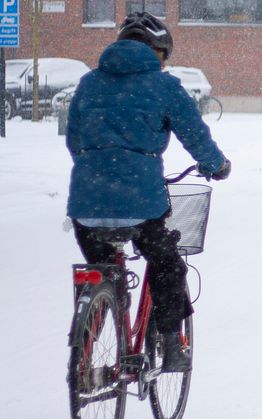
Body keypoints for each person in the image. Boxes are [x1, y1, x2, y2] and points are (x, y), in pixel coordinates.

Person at [66, 12, 231, 371]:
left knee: (100, 265)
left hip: (86, 202)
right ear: (157, 51)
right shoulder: (164, 87)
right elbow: (195, 135)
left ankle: (90, 335)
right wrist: (217, 165)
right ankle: (172, 345)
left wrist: (97, 165)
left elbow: (75, 140)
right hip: (141, 202)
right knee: (167, 265)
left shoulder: (88, 83)